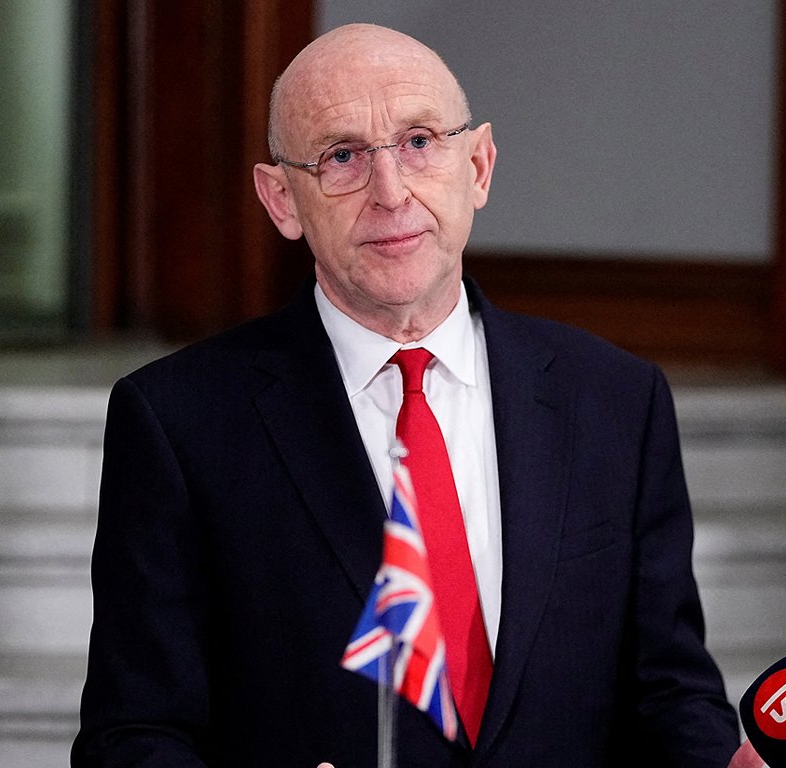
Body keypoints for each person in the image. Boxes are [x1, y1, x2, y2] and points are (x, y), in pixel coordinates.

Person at [73, 22, 738, 768]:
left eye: (419, 142)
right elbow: (131, 738)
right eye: (342, 156)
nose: (390, 193)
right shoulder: (179, 422)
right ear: (282, 200)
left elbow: (671, 696)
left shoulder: (614, 401)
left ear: (478, 167)